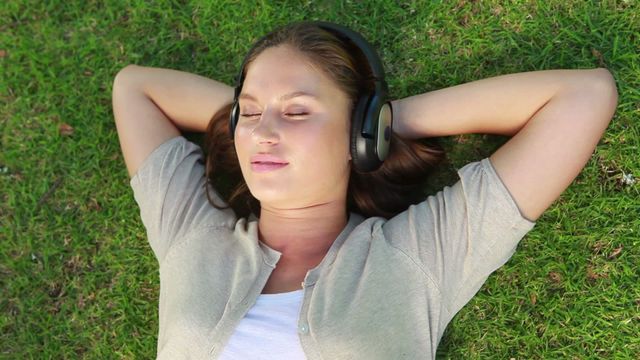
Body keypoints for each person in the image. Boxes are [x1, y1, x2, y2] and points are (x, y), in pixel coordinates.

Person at [111, 21, 618, 360]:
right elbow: (134, 88)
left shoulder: (417, 259)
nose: (263, 132)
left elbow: (582, 97)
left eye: (297, 111)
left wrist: (378, 124)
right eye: (249, 110)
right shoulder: (191, 240)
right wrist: (267, 114)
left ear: (358, 133)